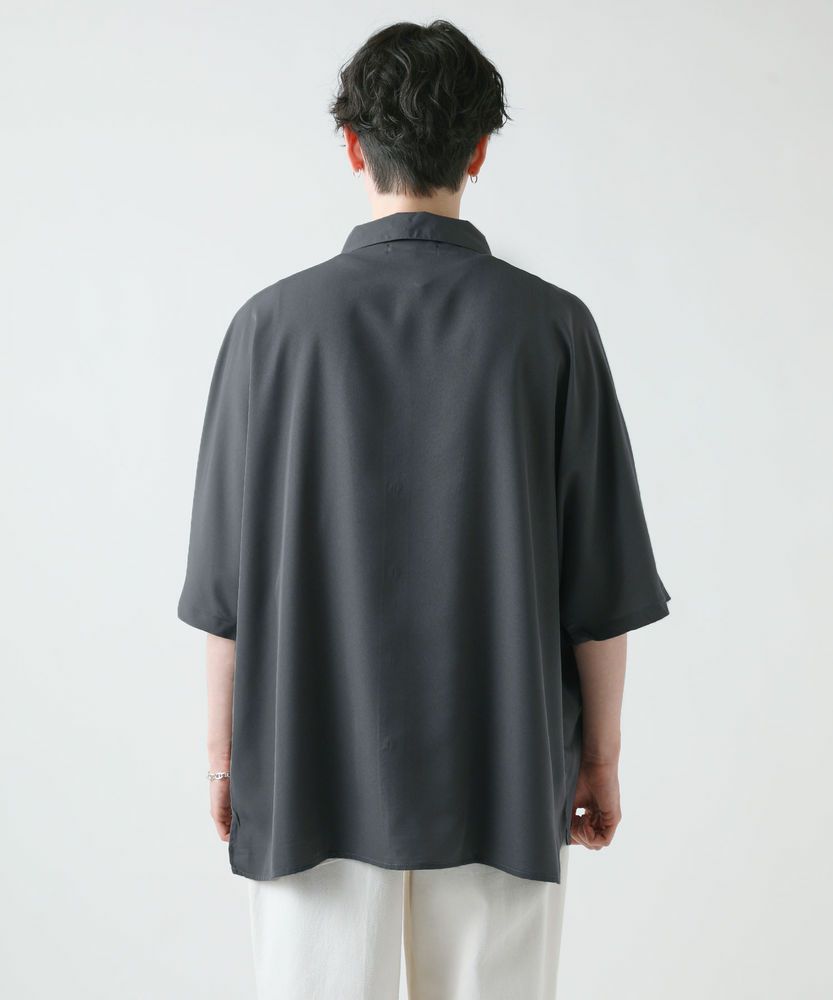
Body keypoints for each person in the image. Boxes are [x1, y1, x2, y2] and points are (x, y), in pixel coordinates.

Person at [177, 18, 670, 1000]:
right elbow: (599, 587)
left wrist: (225, 761)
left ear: (351, 145)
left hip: (307, 773)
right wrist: (598, 759)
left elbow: (224, 589)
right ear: (478, 150)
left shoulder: (268, 330)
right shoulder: (551, 327)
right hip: (501, 772)